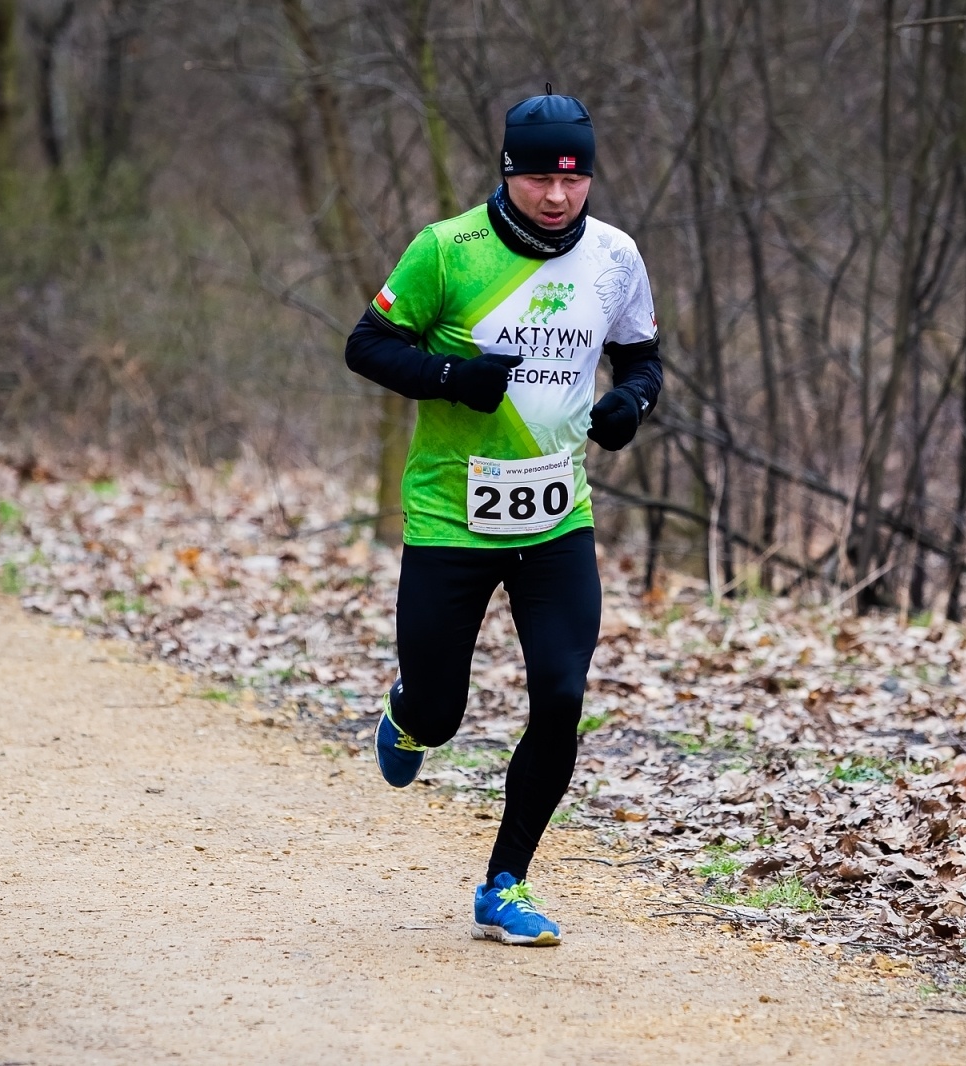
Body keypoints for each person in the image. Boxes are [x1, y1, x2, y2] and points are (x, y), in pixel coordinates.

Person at [344, 89, 662, 946]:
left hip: (557, 519)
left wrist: (630, 403)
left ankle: (505, 883)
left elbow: (640, 359)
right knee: (443, 716)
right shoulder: (446, 251)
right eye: (539, 180)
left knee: (559, 696)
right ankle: (409, 712)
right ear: (507, 172)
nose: (559, 198)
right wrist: (453, 378)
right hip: (453, 515)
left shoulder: (615, 256)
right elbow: (366, 346)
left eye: (575, 179)